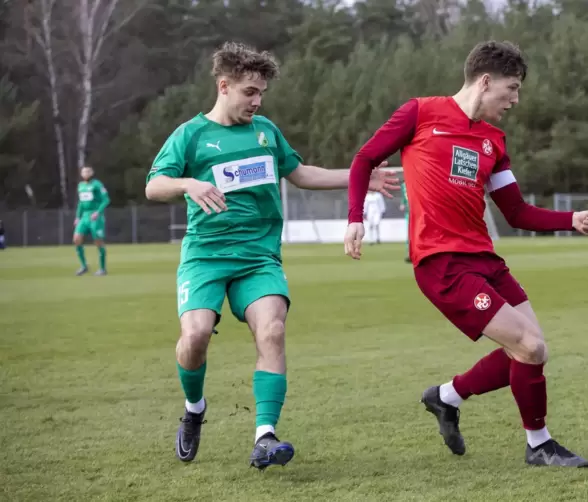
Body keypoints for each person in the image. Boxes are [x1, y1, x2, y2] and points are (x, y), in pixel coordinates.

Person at [344, 40, 588, 468]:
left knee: (533, 351)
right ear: (485, 81)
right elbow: (365, 158)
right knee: (529, 346)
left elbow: (516, 211)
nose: (515, 100)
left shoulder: (493, 141)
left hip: (486, 259)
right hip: (442, 264)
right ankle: (539, 445)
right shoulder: (421, 113)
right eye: (512, 88)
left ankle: (446, 397)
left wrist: (570, 219)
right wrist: (355, 216)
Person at [145, 41, 398, 469]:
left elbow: (301, 174)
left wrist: (361, 178)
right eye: (249, 91)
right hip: (205, 256)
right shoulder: (191, 135)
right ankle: (194, 409)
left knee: (273, 331)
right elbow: (154, 186)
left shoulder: (266, 132)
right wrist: (188, 184)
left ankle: (265, 435)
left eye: (261, 92)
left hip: (259, 257)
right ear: (223, 86)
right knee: (195, 338)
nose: (257, 100)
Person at [73, 165, 110, 276]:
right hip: (84, 217)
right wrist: (77, 217)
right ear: (81, 174)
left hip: (95, 216)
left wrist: (98, 212)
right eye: (84, 172)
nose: (86, 173)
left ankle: (102, 269)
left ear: (92, 173)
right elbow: (81, 203)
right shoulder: (81, 186)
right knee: (77, 239)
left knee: (98, 242)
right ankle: (84, 266)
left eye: (88, 171)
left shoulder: (97, 185)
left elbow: (106, 200)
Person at [399, 181, 410, 262]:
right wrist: (402, 203)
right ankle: (410, 252)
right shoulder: (403, 185)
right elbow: (404, 196)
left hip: (418, 210)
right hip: (409, 211)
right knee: (409, 231)